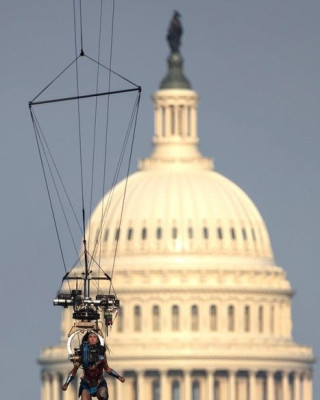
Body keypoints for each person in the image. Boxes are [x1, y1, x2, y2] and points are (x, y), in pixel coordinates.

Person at [62, 331, 125, 400]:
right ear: (87, 339)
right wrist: (66, 383)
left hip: (99, 383)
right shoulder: (82, 354)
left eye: (95, 337)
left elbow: (107, 369)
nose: (92, 339)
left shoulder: (101, 355)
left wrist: (118, 377)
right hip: (86, 384)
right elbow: (74, 371)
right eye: (90, 337)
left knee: (103, 395)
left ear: (98, 340)